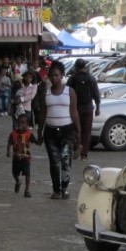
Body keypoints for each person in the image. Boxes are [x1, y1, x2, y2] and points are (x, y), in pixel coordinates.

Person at [37, 60, 82, 200]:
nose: (54, 78)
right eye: (52, 75)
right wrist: (39, 132)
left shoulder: (70, 92)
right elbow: (42, 113)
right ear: (49, 76)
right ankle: (56, 190)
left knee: (65, 159)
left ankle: (65, 189)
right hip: (50, 132)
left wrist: (78, 133)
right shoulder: (46, 93)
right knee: (54, 161)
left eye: (57, 75)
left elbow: (74, 113)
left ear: (62, 75)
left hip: (67, 131)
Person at [66, 59, 100, 161]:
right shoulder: (91, 78)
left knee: (75, 130)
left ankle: (76, 146)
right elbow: (96, 94)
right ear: (85, 66)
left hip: (75, 108)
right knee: (87, 131)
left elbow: (67, 93)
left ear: (76, 67)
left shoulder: (72, 79)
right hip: (88, 108)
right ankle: (84, 154)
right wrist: (98, 107)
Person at [6, 113, 37, 198]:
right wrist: (8, 151)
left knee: (27, 174)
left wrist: (40, 139)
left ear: (27, 124)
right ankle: (18, 181)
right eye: (19, 122)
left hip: (26, 158)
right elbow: (9, 143)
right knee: (14, 173)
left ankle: (27, 189)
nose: (20, 124)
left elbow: (35, 141)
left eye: (23, 123)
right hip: (16, 158)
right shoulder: (13, 134)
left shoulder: (29, 133)